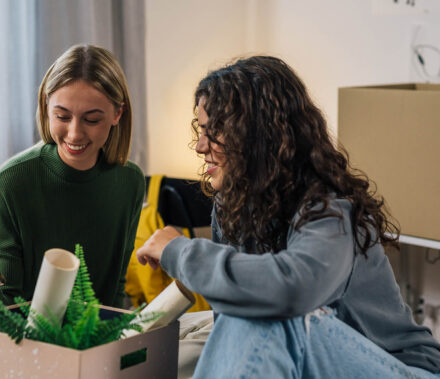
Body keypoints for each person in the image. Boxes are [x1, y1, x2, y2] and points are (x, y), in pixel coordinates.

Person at [136, 55, 440, 377]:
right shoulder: (231, 206)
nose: (200, 146)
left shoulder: (330, 209)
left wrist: (179, 250)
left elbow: (290, 290)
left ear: (256, 135)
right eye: (202, 130)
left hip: (404, 370)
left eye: (215, 132)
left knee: (270, 311)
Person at [0, 44, 144, 308]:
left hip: (97, 339)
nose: (74, 133)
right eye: (62, 116)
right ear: (46, 108)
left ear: (117, 114)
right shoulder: (11, 182)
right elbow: (5, 307)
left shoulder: (130, 182)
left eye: (92, 119)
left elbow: (114, 289)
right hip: (23, 341)